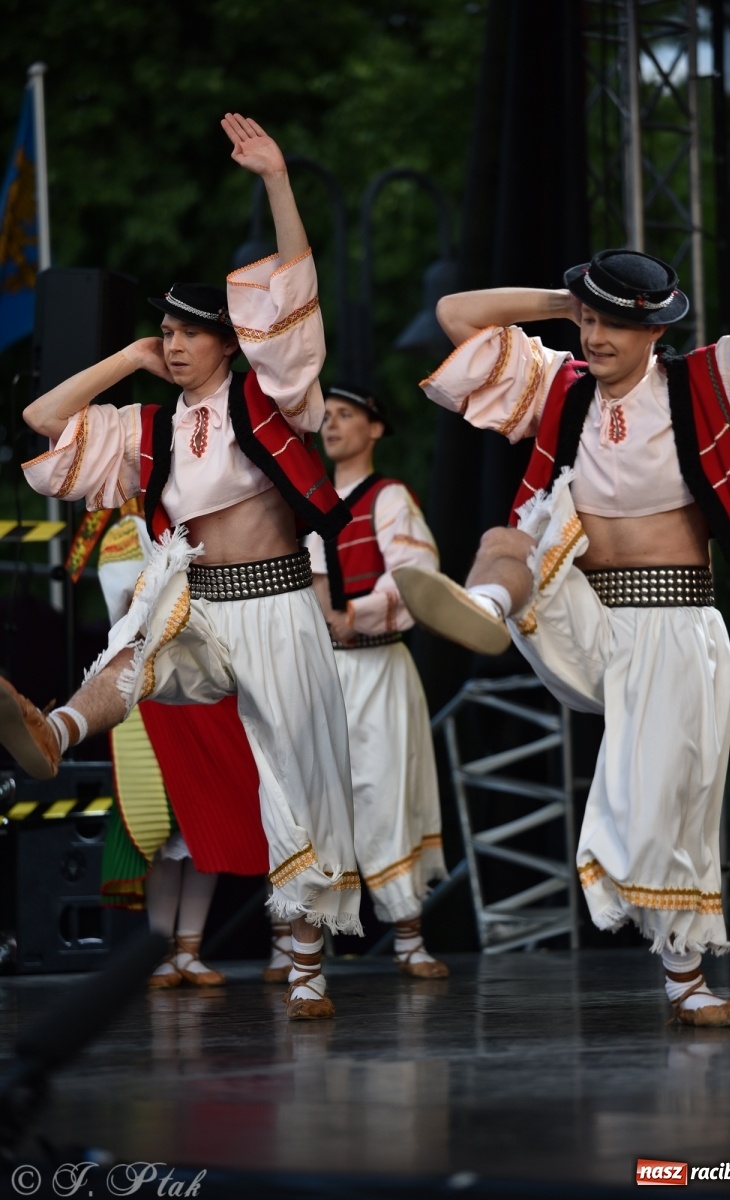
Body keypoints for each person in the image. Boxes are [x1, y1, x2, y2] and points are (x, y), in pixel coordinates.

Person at [0, 112, 363, 1021]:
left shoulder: (265, 392)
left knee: (295, 776)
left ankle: (309, 966)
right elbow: (44, 423)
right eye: (164, 332)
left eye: (187, 332)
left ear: (229, 343)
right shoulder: (152, 428)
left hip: (278, 605)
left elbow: (292, 295)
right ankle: (53, 733)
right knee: (137, 651)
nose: (172, 343)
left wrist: (277, 181)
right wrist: (124, 353)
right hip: (199, 602)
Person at [394, 248, 730, 1027]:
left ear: (653, 329)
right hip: (581, 612)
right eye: (589, 319)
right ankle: (482, 606)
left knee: (662, 795)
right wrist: (568, 299)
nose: (595, 335)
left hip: (672, 624)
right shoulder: (559, 385)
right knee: (514, 531)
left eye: (614, 321)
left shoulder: (705, 381)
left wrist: (602, 303)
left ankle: (684, 980)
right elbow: (457, 317)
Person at [269, 383, 448, 979]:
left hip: (377, 665)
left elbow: (418, 574)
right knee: (308, 799)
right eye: (330, 416)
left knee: (384, 789)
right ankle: (295, 943)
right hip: (319, 671)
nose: (334, 424)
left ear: (375, 430)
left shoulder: (388, 497)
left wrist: (356, 614)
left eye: (348, 415)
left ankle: (408, 936)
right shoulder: (305, 502)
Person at [97, 499, 269, 988]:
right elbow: (133, 604)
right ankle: (159, 950)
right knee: (162, 826)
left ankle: (189, 950)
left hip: (207, 688)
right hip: (152, 685)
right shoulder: (125, 534)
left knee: (206, 824)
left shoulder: (206, 522)